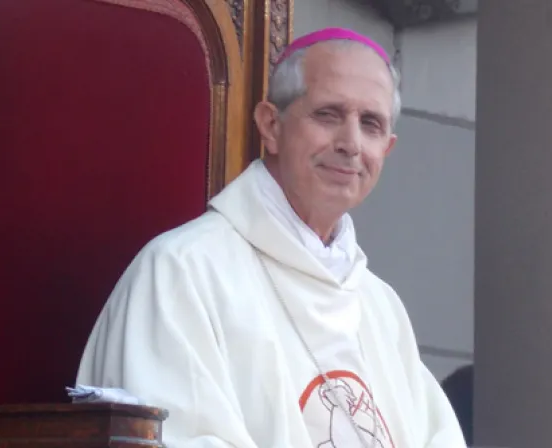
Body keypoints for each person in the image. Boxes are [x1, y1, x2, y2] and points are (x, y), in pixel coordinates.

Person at [76, 27, 466, 448]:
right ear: (271, 125)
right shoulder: (181, 274)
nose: (351, 143)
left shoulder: (381, 309)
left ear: (385, 150)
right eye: (328, 114)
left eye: (370, 124)